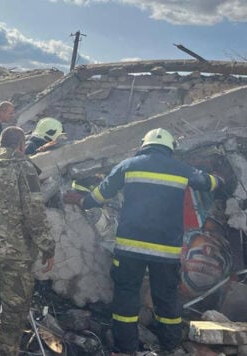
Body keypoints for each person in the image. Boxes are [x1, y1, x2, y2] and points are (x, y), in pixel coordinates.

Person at [63, 128, 223, 355]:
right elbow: (209, 183)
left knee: (126, 294)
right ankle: (170, 345)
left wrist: (81, 200)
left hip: (130, 248)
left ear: (143, 144)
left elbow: (99, 196)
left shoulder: (129, 165)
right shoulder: (181, 169)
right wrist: (219, 178)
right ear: (169, 148)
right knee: (166, 296)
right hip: (166, 251)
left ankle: (125, 347)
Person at [0, 126, 56, 355]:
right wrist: (47, 246)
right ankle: (7, 350)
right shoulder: (25, 168)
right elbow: (34, 212)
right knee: (14, 306)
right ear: (21, 145)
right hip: (16, 254)